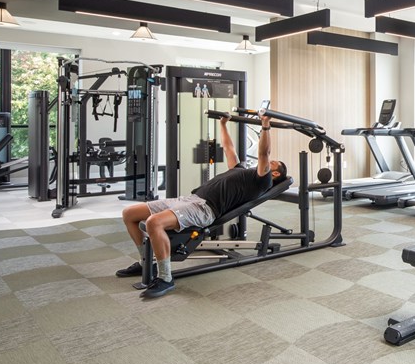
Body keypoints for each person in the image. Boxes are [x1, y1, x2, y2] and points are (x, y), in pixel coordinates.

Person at [116, 113, 287, 297]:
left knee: (153, 223)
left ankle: (165, 278)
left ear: (274, 174)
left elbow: (264, 153)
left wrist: (265, 125)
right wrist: (223, 124)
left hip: (205, 209)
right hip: (189, 199)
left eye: (272, 164)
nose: (268, 163)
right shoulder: (240, 170)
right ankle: (146, 262)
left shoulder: (263, 181)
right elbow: (229, 148)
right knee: (129, 214)